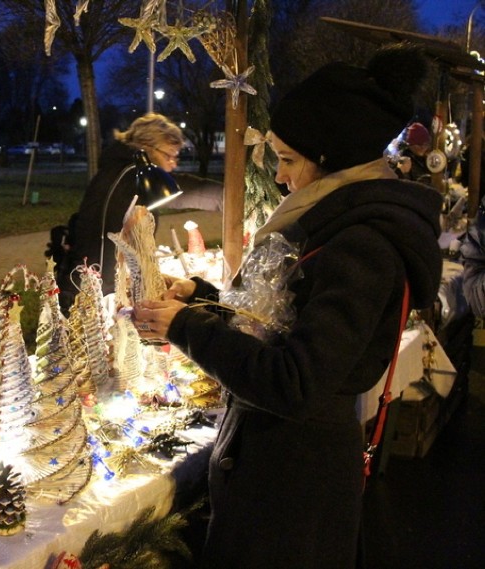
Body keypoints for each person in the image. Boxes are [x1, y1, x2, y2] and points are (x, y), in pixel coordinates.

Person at [133, 44, 442, 568]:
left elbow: (295, 380)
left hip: (294, 491)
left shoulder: (362, 244)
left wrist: (187, 328)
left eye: (288, 159)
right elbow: (282, 321)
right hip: (280, 476)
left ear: (332, 156)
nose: (279, 176)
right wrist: (202, 299)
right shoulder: (336, 224)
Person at [55, 113, 184, 312]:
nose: (174, 163)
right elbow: (114, 240)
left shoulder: (123, 170)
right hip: (96, 289)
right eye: (170, 155)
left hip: (94, 279)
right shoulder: (131, 178)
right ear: (148, 147)